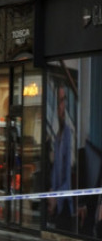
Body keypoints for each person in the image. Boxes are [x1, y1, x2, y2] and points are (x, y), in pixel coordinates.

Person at [48, 84, 75, 231]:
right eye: (59, 101)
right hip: (57, 202)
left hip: (64, 205)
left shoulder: (68, 134)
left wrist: (56, 196)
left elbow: (69, 180)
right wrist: (52, 189)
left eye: (63, 100)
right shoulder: (57, 134)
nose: (61, 106)